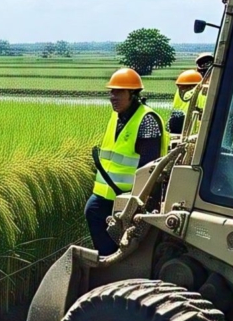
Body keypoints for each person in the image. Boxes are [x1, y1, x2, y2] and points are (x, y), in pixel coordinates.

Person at [84, 68, 170, 256]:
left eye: (118, 92)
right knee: (92, 212)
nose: (112, 97)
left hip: (131, 196)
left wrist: (137, 199)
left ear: (132, 94)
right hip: (105, 193)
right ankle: (108, 258)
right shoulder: (116, 117)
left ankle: (117, 261)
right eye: (111, 92)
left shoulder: (147, 120)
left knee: (129, 237)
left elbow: (149, 167)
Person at [168, 69, 203, 134]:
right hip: (184, 126)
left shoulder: (179, 92)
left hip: (180, 125)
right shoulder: (179, 93)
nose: (182, 88)